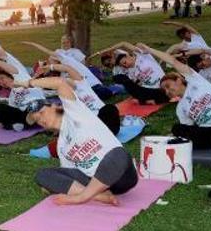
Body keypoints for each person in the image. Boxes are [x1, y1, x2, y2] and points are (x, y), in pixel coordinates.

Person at [20, 77, 138, 206]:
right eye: (37, 120)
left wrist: (28, 82)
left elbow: (60, 83)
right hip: (92, 181)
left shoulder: (75, 113)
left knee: (118, 153)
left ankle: (82, 197)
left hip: (120, 177)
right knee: (43, 175)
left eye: (42, 113)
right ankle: (98, 196)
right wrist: (56, 184)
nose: (40, 120)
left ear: (54, 106)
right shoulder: (61, 146)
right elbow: (70, 174)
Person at [137, 44, 211, 149]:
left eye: (168, 86)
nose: (167, 91)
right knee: (178, 129)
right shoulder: (180, 108)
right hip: (210, 130)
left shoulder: (196, 81)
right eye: (164, 90)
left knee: (182, 136)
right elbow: (189, 127)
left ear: (179, 80)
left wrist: (149, 49)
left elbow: (173, 61)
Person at [22, 41, 112, 100]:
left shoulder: (66, 60)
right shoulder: (61, 73)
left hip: (94, 86)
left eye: (50, 59)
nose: (48, 61)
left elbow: (47, 51)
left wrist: (32, 44)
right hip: (87, 90)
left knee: (102, 94)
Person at [0, 60, 46, 130]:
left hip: (36, 104)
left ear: (10, 76)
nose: (1, 82)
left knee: (35, 105)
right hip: (24, 113)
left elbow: (31, 83)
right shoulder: (12, 96)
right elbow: (13, 111)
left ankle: (26, 121)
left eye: (2, 78)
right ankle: (25, 122)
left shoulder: (22, 79)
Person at [102, 42, 168, 105]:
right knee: (120, 79)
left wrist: (109, 49)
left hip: (163, 84)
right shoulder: (129, 71)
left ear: (127, 56)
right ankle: (149, 100)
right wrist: (136, 83)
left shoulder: (141, 55)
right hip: (149, 91)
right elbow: (135, 85)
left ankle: (150, 100)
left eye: (125, 62)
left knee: (163, 93)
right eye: (124, 66)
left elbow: (124, 44)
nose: (126, 66)